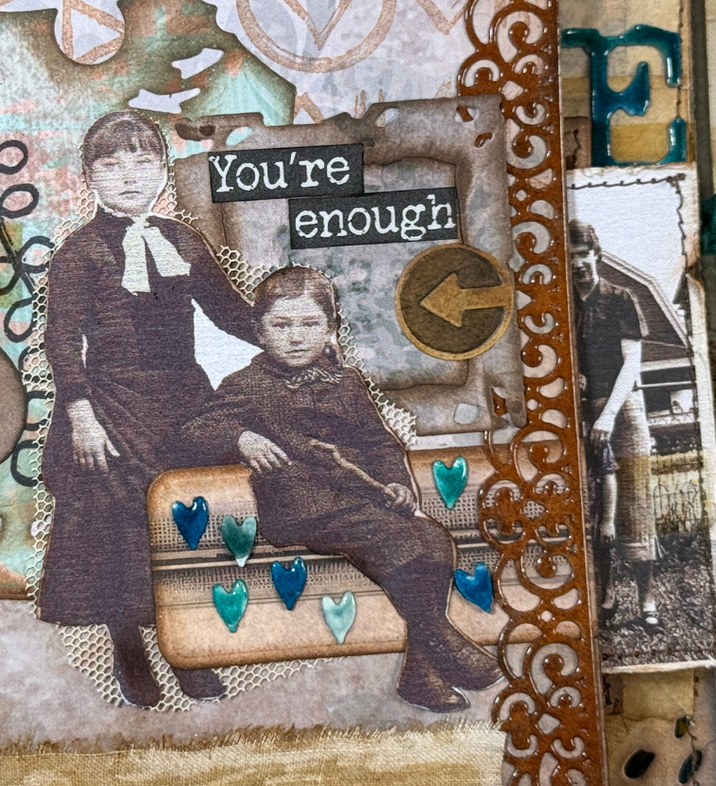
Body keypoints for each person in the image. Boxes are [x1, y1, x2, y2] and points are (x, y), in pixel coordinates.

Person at [183, 266, 502, 712]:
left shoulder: (346, 381)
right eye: (281, 326)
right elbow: (195, 430)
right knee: (396, 539)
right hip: (300, 506)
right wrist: (241, 438)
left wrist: (397, 482)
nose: (296, 337)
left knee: (433, 540)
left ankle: (421, 674)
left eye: (310, 324)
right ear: (259, 331)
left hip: (358, 498)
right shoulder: (247, 385)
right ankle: (444, 641)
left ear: (330, 328)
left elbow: (379, 442)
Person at [38, 111, 258, 706]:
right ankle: (129, 647)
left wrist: (297, 336)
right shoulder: (79, 252)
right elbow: (62, 341)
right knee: (123, 523)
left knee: (189, 516)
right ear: (89, 177)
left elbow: (230, 313)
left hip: (182, 397)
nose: (130, 176)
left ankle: (183, 646)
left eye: (143, 161)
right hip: (110, 404)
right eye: (111, 165)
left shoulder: (182, 240)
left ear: (163, 168)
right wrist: (81, 416)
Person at [569, 219, 660, 632]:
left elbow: (631, 364)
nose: (577, 264)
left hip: (623, 409)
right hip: (583, 411)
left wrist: (607, 416)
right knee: (596, 506)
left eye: (582, 255)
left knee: (635, 504)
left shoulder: (621, 298)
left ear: (596, 255)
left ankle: (647, 601)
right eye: (569, 257)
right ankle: (606, 596)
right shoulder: (562, 303)